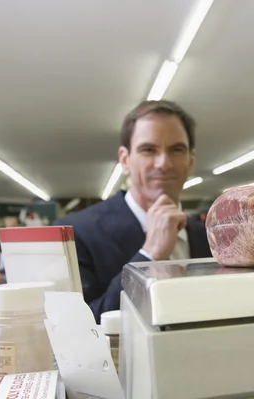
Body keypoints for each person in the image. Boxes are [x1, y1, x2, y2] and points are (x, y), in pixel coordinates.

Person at [54, 100, 212, 321]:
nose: (163, 163)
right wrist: (149, 256)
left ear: (190, 161)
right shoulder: (75, 234)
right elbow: (79, 326)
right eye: (148, 150)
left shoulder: (210, 238)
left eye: (177, 150)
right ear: (125, 160)